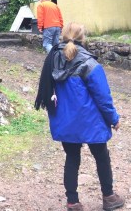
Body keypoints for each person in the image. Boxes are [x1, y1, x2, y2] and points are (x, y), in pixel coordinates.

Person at [35, 23, 124, 211]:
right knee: (101, 156)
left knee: (72, 157)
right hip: (90, 121)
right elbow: (103, 97)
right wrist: (113, 118)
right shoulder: (89, 63)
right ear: (83, 38)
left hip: (65, 120)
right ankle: (109, 197)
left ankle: (72, 202)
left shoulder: (52, 59)